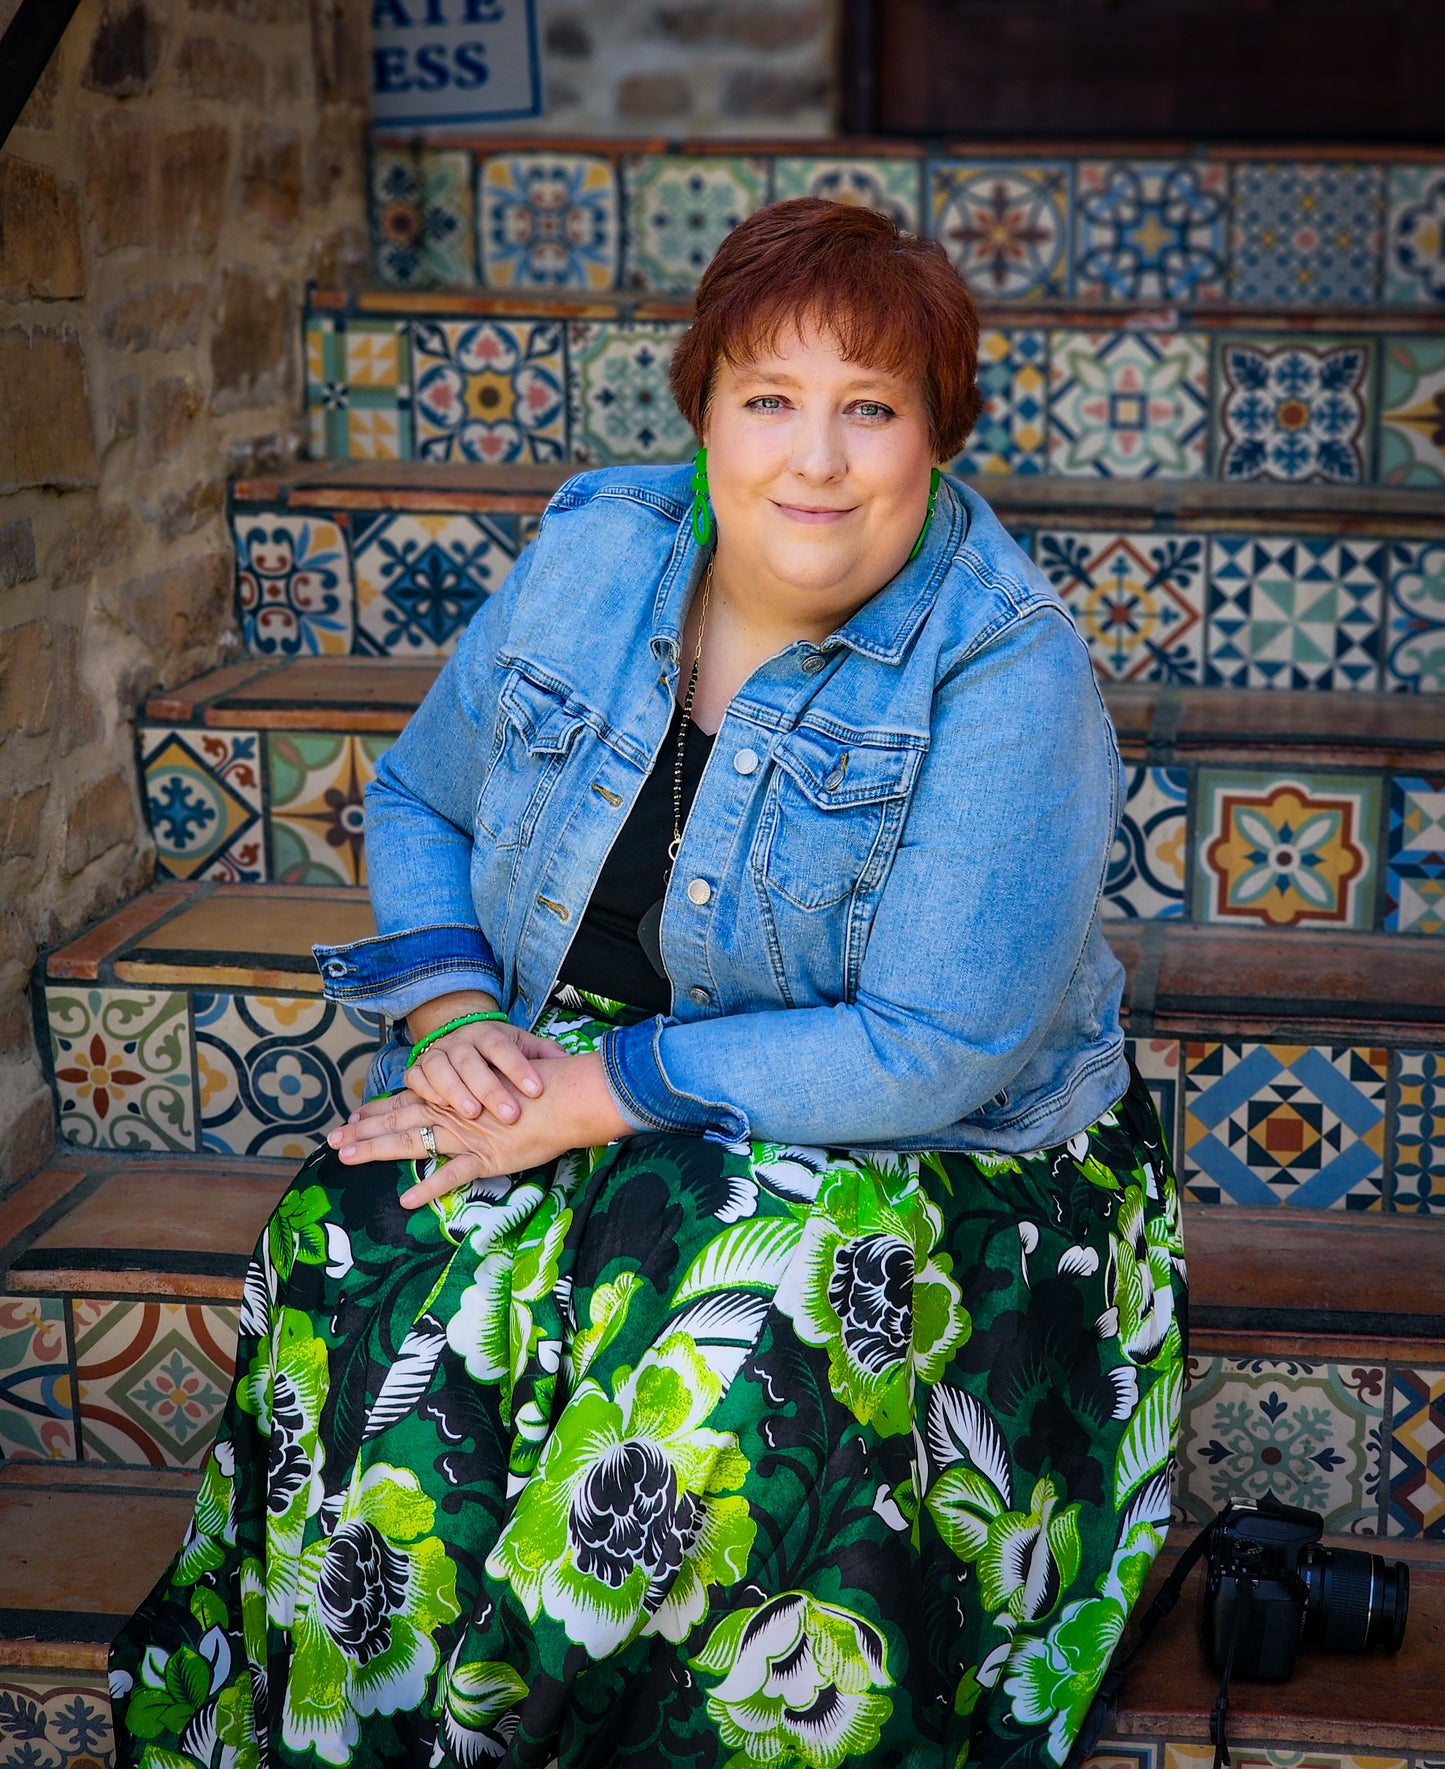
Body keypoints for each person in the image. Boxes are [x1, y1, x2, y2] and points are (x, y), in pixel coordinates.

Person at [110, 199, 1186, 1769]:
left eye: (870, 410)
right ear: (703, 415)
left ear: (937, 439)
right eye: (768, 399)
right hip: (582, 1060)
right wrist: (459, 1022)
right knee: (365, 1233)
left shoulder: (999, 660)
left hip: (933, 1140)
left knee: (734, 1355)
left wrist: (596, 1095)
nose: (814, 460)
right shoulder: (598, 552)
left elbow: (934, 1044)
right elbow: (418, 799)